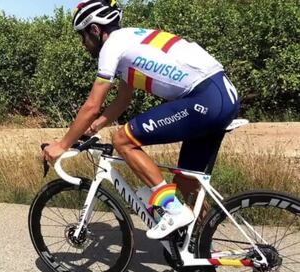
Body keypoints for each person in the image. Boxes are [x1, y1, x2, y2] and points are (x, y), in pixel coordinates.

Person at [42, 0, 240, 239]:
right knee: (187, 182)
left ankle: (172, 209)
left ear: (94, 29)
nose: (83, 44)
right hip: (221, 95)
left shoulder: (111, 47)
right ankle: (199, 246)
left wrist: (62, 145)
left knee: (122, 140)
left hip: (205, 98)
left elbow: (92, 105)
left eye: (82, 36)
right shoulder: (130, 42)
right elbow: (123, 99)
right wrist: (94, 127)